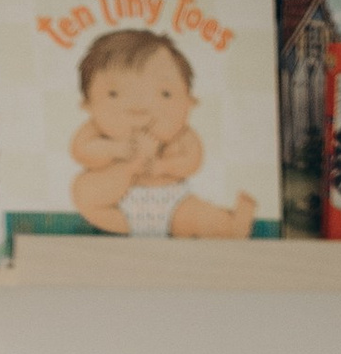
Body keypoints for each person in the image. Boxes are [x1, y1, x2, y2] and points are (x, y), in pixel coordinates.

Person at [67, 26, 257, 240]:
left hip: (171, 203)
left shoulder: (181, 134)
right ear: (88, 105)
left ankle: (229, 226)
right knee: (84, 190)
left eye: (164, 94)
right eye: (114, 94)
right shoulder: (94, 129)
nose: (138, 109)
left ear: (189, 102)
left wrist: (162, 167)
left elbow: (192, 160)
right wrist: (118, 149)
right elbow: (81, 151)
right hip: (115, 208)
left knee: (195, 217)